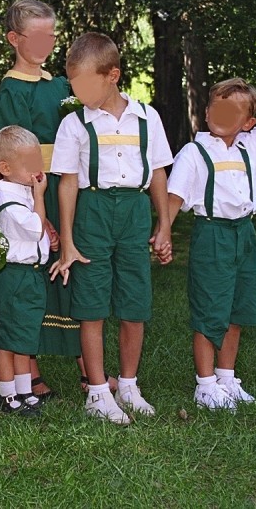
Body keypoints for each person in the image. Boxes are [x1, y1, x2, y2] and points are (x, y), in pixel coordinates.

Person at [50, 32, 174, 425]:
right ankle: (99, 392)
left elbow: (157, 173)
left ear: (113, 75)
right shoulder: (74, 124)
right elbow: (67, 182)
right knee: (92, 302)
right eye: (74, 85)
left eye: (86, 83)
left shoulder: (147, 117)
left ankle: (130, 384)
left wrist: (164, 224)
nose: (79, 91)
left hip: (135, 210)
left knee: (134, 300)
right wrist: (67, 240)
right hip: (93, 211)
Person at [166, 77, 256, 409]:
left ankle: (226, 377)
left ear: (249, 122)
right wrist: (164, 232)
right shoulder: (194, 152)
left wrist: (252, 97)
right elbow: (174, 196)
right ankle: (205, 386)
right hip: (212, 234)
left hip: (244, 234)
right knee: (211, 309)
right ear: (207, 113)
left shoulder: (253, 143)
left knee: (237, 308)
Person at [0, 0, 79, 400]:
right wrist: (35, 207)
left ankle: (86, 366)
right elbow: (15, 152)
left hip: (65, 182)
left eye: (52, 35)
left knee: (69, 274)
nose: (47, 42)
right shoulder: (11, 89)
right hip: (35, 187)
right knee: (32, 280)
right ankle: (32, 372)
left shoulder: (60, 86)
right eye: (38, 36)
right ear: (14, 39)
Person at [0, 126, 51, 416]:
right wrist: (41, 196)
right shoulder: (9, 200)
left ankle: (25, 391)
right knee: (10, 338)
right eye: (29, 165)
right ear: (5, 168)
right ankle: (8, 394)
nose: (37, 170)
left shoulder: (23, 193)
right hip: (12, 275)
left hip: (30, 274)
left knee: (24, 337)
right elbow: (36, 229)